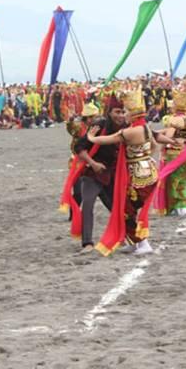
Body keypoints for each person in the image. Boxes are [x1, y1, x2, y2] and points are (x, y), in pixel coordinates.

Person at [88, 87, 159, 256]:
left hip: (139, 176)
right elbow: (155, 146)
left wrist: (91, 138)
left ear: (132, 113)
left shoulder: (131, 131)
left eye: (125, 111)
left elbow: (111, 139)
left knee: (126, 209)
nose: (124, 115)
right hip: (146, 171)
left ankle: (143, 243)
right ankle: (135, 243)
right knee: (125, 208)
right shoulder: (145, 128)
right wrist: (144, 157)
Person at [61, 96, 126, 253]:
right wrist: (93, 163)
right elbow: (79, 147)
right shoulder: (99, 126)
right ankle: (87, 243)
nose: (120, 115)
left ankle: (125, 237)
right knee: (88, 203)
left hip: (112, 173)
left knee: (117, 207)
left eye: (123, 112)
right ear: (109, 112)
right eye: (117, 112)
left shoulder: (125, 126)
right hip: (93, 173)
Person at [157, 86, 186, 217]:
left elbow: (169, 136)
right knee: (182, 181)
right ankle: (183, 206)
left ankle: (176, 207)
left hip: (174, 153)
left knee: (172, 181)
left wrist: (158, 140)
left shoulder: (173, 119)